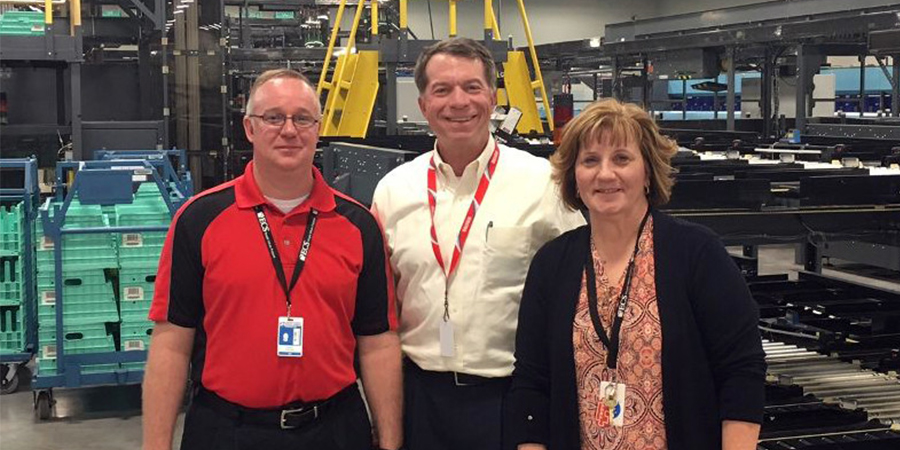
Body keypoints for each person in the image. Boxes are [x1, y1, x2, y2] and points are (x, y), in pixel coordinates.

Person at [143, 69, 403, 450]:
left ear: (318, 128)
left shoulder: (358, 225)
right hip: (227, 431)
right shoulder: (199, 220)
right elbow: (172, 342)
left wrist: (391, 440)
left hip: (334, 430)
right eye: (273, 117)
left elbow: (377, 341)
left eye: (302, 118)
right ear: (249, 128)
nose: (289, 130)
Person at [505, 99, 766, 450]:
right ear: (574, 177)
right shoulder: (552, 263)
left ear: (647, 171)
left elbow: (741, 369)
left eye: (622, 158)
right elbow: (531, 382)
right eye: (590, 160)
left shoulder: (696, 253)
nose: (605, 174)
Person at [371, 38, 584, 450]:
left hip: (511, 401)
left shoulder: (543, 183)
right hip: (420, 399)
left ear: (492, 96)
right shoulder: (394, 190)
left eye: (472, 87)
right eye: (442, 89)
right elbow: (381, 308)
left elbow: (578, 287)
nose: (459, 102)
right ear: (422, 105)